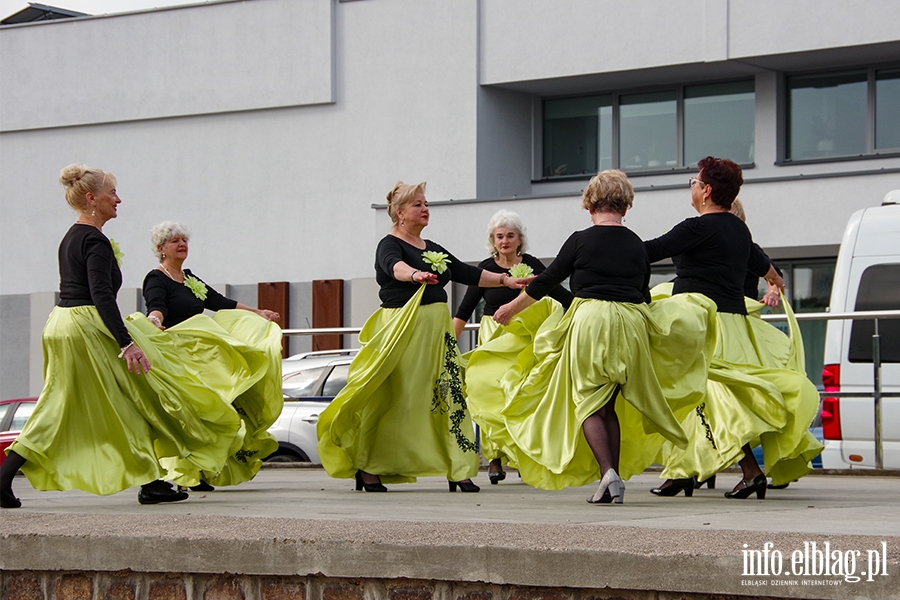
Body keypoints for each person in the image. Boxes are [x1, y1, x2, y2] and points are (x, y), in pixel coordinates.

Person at [1, 165, 238, 508]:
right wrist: (126, 342)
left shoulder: (73, 235)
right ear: (90, 198)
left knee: (75, 402)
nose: (118, 199)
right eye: (112, 193)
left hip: (64, 323)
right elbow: (101, 294)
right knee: (134, 396)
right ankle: (152, 482)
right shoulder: (94, 240)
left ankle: (152, 481)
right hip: (86, 326)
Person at [491, 170, 717, 504]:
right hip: (631, 322)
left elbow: (548, 280)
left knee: (588, 403)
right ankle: (611, 478)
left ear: (590, 204)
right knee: (609, 404)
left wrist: (512, 308)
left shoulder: (581, 239)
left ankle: (608, 472)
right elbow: (643, 295)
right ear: (625, 207)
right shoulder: (636, 244)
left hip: (591, 319)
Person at [316, 181, 533, 493]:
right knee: (394, 397)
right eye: (418, 204)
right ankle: (368, 468)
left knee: (448, 393)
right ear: (400, 213)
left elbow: (464, 271)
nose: (425, 208)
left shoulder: (432, 247)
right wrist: (415, 275)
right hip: (404, 328)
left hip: (436, 331)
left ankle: (458, 469)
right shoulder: (389, 244)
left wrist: (504, 280)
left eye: (426, 203)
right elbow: (395, 267)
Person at [645, 157, 822, 499]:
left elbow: (646, 252)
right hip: (733, 326)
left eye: (694, 183)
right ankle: (683, 471)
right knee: (711, 400)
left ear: (707, 190)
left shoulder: (694, 228)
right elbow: (770, 271)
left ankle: (743, 471)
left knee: (703, 398)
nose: (692, 188)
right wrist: (773, 283)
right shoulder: (739, 230)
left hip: (701, 324)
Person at [142, 221, 283, 491]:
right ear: (161, 249)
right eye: (174, 241)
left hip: (204, 353)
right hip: (181, 353)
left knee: (220, 408)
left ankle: (204, 471)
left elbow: (218, 301)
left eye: (184, 239)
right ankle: (187, 471)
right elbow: (156, 305)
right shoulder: (156, 278)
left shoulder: (190, 278)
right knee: (198, 413)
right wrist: (153, 319)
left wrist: (258, 312)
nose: (182, 244)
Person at [452, 210, 572, 484]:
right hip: (493, 336)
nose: (504, 241)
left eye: (510, 235)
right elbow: (463, 311)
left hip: (523, 339)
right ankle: (494, 458)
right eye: (499, 236)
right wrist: (448, 344)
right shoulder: (485, 268)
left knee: (518, 396)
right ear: (492, 241)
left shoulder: (531, 265)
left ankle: (523, 455)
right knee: (489, 396)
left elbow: (560, 294)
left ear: (520, 239)